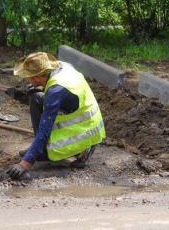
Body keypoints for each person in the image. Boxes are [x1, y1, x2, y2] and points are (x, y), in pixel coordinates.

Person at [6, 52, 105, 180]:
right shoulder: (62, 66)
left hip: (86, 133)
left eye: (28, 77)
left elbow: (44, 130)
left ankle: (81, 152)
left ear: (37, 77)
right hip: (79, 111)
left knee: (42, 114)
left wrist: (25, 163)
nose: (27, 80)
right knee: (35, 97)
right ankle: (40, 151)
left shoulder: (55, 91)